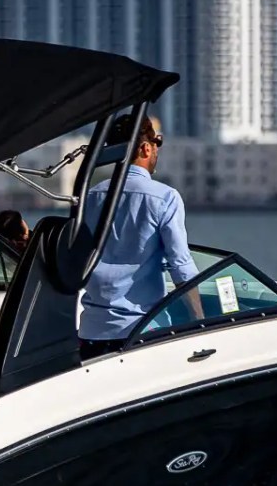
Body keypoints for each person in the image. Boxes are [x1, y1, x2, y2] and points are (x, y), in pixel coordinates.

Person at [77, 113, 200, 359]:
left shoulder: (89, 197)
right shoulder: (165, 197)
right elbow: (181, 267)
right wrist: (202, 320)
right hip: (142, 332)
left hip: (90, 332)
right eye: (158, 143)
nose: (157, 151)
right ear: (145, 148)